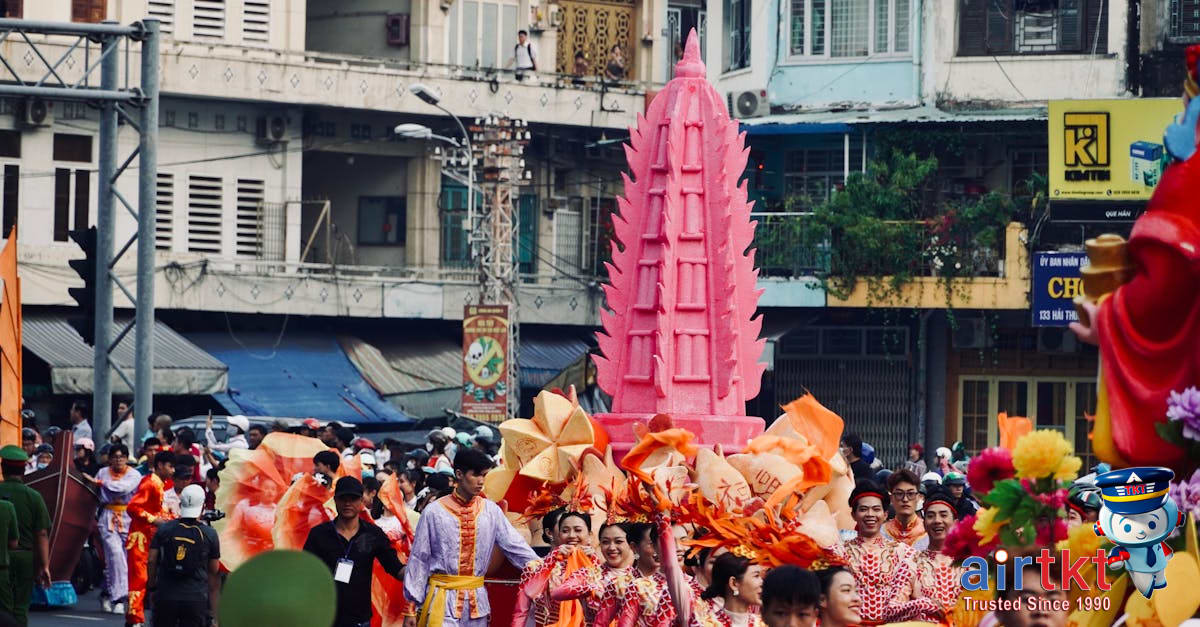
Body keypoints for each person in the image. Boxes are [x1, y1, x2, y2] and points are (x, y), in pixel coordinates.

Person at [403, 448, 537, 627]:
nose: (481, 481)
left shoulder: (491, 511)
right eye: (475, 475)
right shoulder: (434, 512)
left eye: (484, 475)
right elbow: (419, 559)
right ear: (459, 474)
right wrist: (411, 607)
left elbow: (516, 547)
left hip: (477, 603)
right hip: (442, 602)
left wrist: (547, 569)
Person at [304, 477, 405, 627]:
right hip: (325, 616)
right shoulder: (319, 534)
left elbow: (395, 568)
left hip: (359, 618)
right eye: (343, 498)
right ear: (335, 500)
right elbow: (305, 572)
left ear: (361, 501)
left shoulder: (373, 534)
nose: (348, 503)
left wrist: (420, 571)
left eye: (353, 498)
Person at [835, 481, 940, 624]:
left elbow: (918, 595)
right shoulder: (839, 552)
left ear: (885, 515)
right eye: (864, 509)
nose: (870, 514)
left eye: (876, 509)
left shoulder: (905, 553)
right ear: (853, 515)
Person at [148, 484, 221, 627]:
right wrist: (213, 613)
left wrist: (152, 587)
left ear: (181, 504)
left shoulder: (164, 529)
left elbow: (151, 560)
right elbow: (214, 571)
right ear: (203, 505)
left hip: (166, 595)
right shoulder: (210, 534)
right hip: (196, 597)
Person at [513, 511, 595, 627]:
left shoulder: (597, 568)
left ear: (590, 535)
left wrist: (593, 562)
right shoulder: (535, 567)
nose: (571, 535)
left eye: (578, 530)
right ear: (557, 534)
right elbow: (521, 611)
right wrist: (551, 561)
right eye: (565, 531)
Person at [89, 443, 142, 615]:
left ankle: (106, 592)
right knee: (115, 555)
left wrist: (99, 482)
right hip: (108, 517)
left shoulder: (134, 474)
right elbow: (96, 493)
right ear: (110, 459)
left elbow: (122, 488)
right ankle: (119, 599)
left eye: (122, 457)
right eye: (115, 457)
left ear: (127, 458)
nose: (118, 460)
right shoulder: (103, 472)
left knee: (124, 560)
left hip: (127, 517)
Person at [0, 445, 51, 626]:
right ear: (23, 470)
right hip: (25, 558)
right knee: (20, 608)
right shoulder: (34, 496)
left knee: (3, 609)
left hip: (1, 559)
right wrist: (44, 565)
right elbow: (42, 533)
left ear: (2, 468)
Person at [550, 521, 637, 626]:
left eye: (618, 542)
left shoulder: (641, 579)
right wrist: (592, 589)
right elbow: (557, 593)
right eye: (605, 542)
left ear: (632, 545)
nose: (611, 547)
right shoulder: (590, 574)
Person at [126, 451, 177, 627]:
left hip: (151, 538)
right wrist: (155, 520)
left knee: (147, 578)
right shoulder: (149, 483)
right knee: (139, 578)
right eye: (170, 466)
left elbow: (156, 510)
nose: (173, 470)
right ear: (161, 465)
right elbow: (132, 507)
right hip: (140, 537)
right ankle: (134, 619)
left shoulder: (160, 483)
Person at [912, 488, 963, 615]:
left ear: (955, 523)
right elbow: (893, 607)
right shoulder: (911, 562)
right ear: (924, 524)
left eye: (944, 515)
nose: (937, 521)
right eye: (930, 516)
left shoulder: (972, 564)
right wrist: (924, 604)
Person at [693, 553, 765, 627]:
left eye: (761, 577)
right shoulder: (704, 623)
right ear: (734, 583)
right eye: (756, 576)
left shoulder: (763, 624)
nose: (762, 583)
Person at [881, 469, 925, 546]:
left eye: (910, 494)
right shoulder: (881, 532)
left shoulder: (928, 531)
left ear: (918, 497)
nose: (905, 499)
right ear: (891, 498)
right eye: (899, 494)